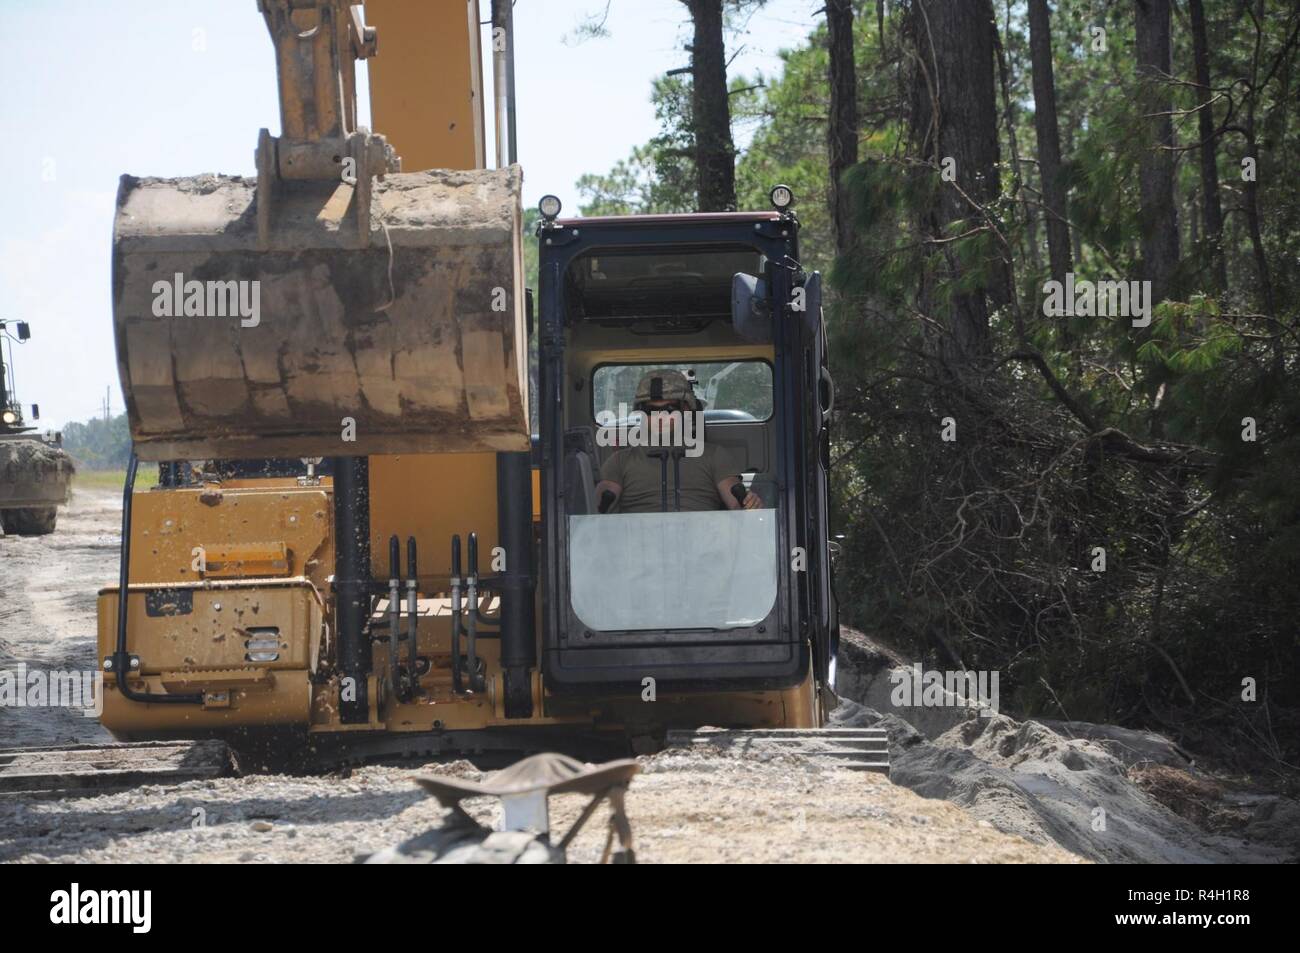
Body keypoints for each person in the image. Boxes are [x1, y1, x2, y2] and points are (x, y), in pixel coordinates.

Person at [595, 369, 762, 514]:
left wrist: (750, 505)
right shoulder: (619, 461)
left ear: (686, 409)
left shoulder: (715, 456)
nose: (660, 417)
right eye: (651, 410)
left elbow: (737, 504)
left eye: (669, 410)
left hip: (704, 546)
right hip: (636, 546)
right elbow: (599, 507)